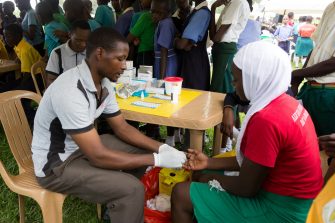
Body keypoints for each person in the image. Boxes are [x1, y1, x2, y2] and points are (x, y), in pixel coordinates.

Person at [31, 28, 186, 223]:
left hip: (81, 148)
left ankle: (119, 209)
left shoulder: (103, 83)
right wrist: (157, 159)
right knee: (132, 190)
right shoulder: (70, 90)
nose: (124, 66)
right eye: (120, 59)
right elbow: (97, 156)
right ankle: (124, 199)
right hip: (56, 166)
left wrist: (163, 148)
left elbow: (122, 127)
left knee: (139, 151)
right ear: (100, 53)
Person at [171, 41, 323, 223]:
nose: (234, 86)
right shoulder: (286, 101)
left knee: (181, 193)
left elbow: (246, 188)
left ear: (255, 78)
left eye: (236, 80)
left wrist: (209, 177)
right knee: (203, 175)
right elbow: (255, 160)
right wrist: (208, 162)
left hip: (282, 211)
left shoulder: (267, 119)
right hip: (300, 201)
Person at [291, 1, 335, 137]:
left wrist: (299, 73)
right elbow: (316, 48)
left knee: (324, 146)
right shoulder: (331, 7)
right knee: (303, 140)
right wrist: (298, 78)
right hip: (311, 89)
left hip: (328, 92)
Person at [209, 0, 250, 93]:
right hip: (222, 49)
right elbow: (213, 37)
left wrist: (213, 8)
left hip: (225, 50)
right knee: (218, 87)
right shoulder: (232, 3)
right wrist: (213, 7)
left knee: (221, 89)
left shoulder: (237, 2)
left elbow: (216, 37)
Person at [174, 0, 211, 91]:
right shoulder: (197, 11)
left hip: (194, 63)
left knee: (193, 94)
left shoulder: (202, 13)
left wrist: (175, 40)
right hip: (192, 60)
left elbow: (181, 44)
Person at [46, 20, 91, 86]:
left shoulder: (92, 52)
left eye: (87, 40)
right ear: (69, 34)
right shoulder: (57, 53)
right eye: (78, 40)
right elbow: (50, 79)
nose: (83, 45)